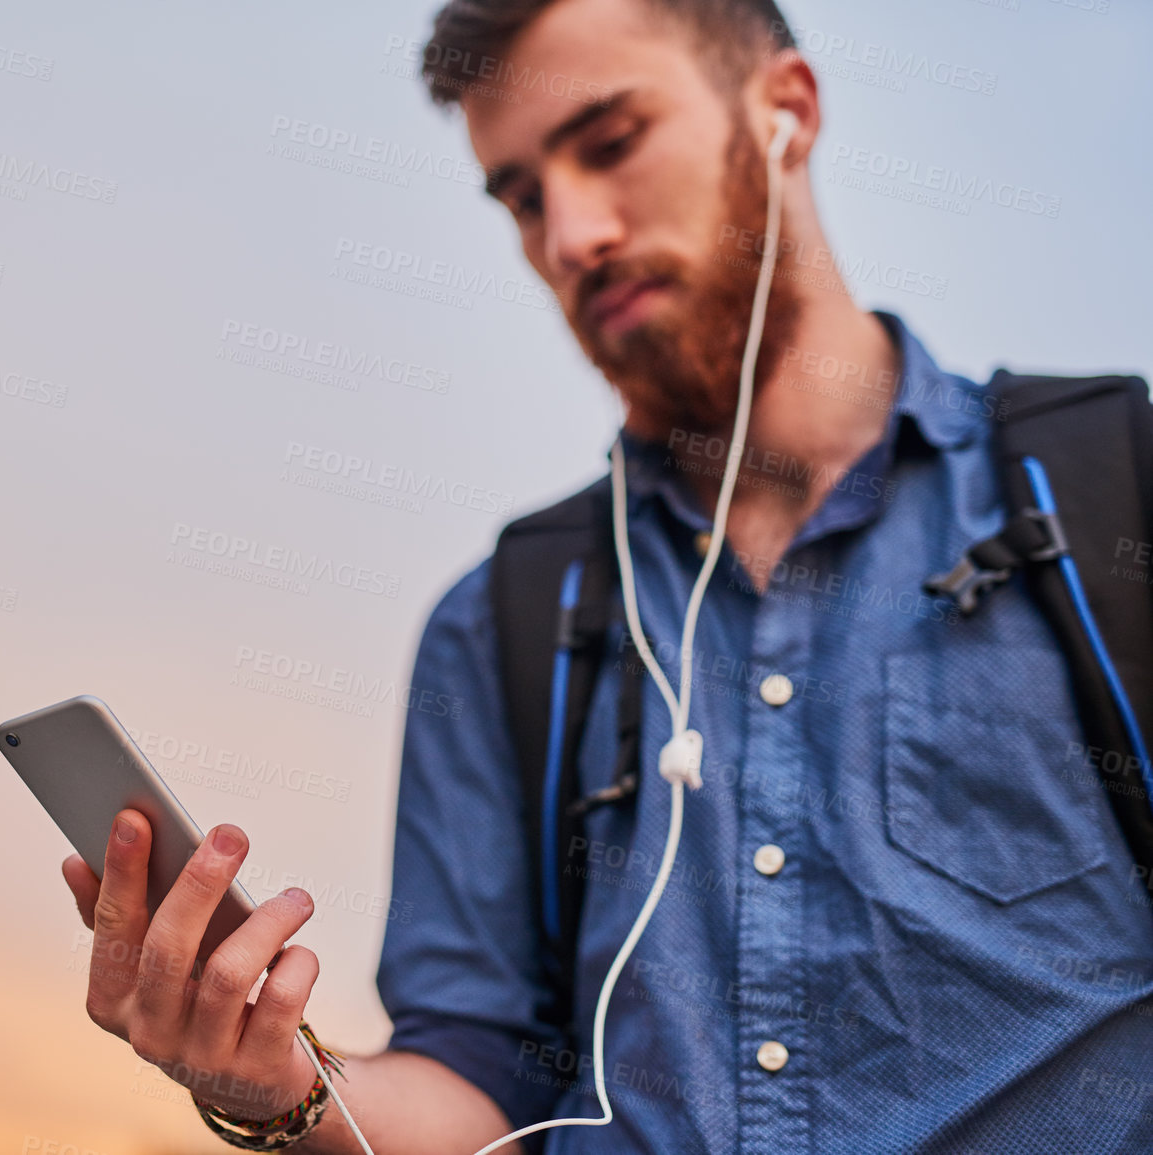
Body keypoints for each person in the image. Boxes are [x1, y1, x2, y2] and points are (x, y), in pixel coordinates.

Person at [61, 0, 1153, 1151]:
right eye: (524, 197)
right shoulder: (504, 626)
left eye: (612, 141)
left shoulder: (1111, 493)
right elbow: (478, 1088)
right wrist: (275, 1084)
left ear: (786, 111)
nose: (571, 235)